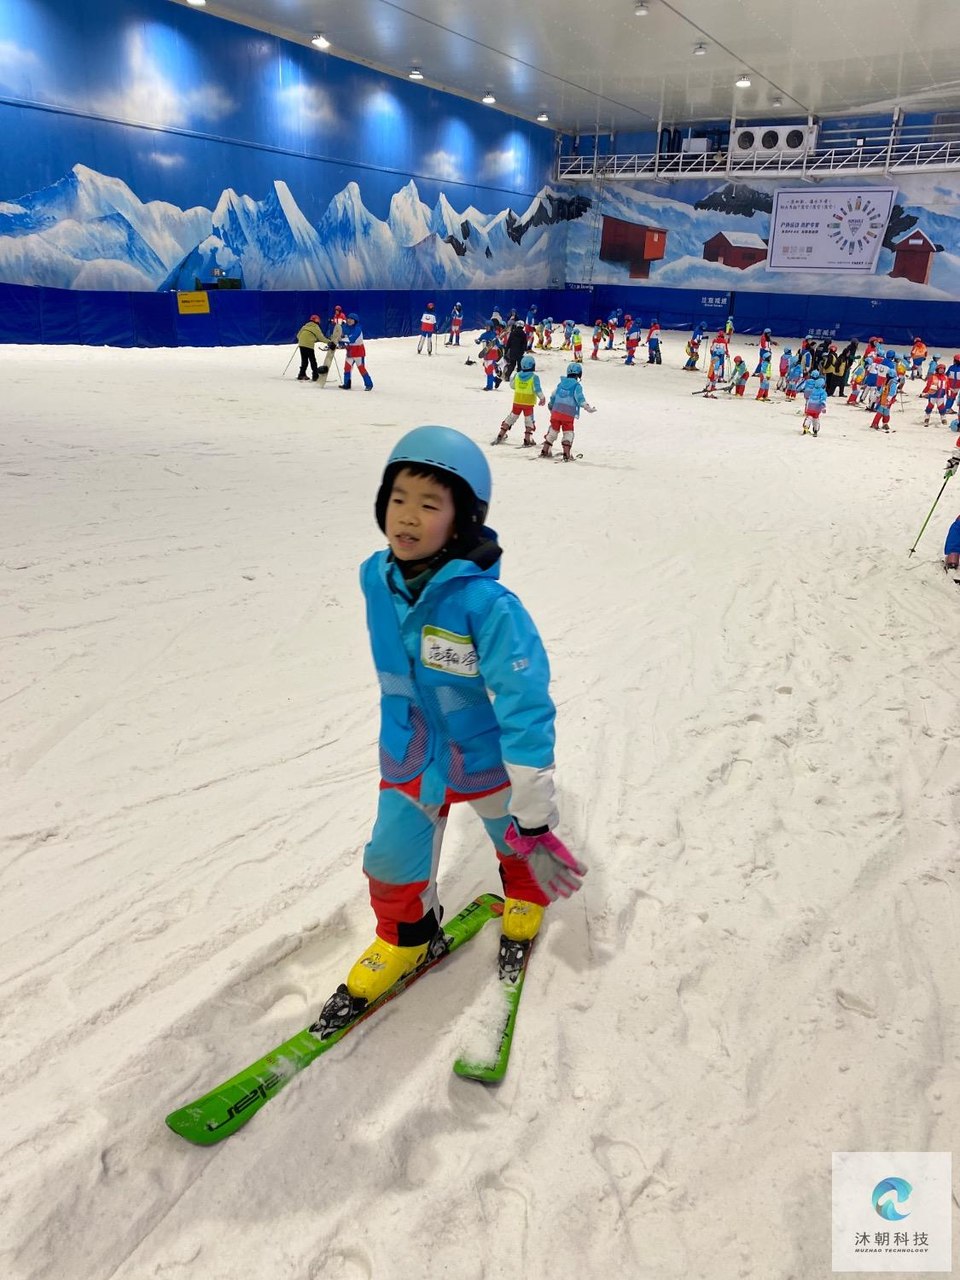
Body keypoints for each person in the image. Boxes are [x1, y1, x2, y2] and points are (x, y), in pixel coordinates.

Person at [317, 426, 586, 1015]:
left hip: (482, 756)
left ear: (463, 520)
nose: (407, 516)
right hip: (410, 752)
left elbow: (524, 701)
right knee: (390, 858)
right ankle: (407, 938)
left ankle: (526, 892)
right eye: (397, 498)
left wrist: (534, 804)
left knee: (515, 839)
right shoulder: (375, 578)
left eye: (429, 504)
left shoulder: (488, 607)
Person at [541, 361, 596, 459]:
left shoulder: (561, 384)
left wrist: (551, 405)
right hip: (568, 414)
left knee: (553, 431)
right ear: (579, 374)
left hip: (556, 412)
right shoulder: (576, 386)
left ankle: (545, 450)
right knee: (568, 433)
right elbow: (580, 399)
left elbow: (553, 395)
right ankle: (566, 454)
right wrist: (587, 407)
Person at [494, 355, 545, 446]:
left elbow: (512, 386)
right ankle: (527, 438)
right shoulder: (534, 377)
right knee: (529, 420)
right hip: (528, 404)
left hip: (517, 402)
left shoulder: (517, 375)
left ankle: (501, 433)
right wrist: (542, 398)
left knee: (511, 418)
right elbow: (537, 390)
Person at [341, 313, 374, 391]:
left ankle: (369, 385)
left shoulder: (357, 329)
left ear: (355, 321)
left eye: (351, 319)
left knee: (361, 369)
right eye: (348, 319)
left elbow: (351, 339)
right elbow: (341, 335)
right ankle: (346, 384)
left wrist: (340, 339)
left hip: (358, 352)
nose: (349, 320)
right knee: (347, 368)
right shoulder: (345, 327)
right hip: (350, 352)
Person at [296, 315, 324, 381]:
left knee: (304, 360)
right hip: (309, 345)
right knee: (312, 360)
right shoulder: (316, 327)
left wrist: (303, 340)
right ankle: (315, 376)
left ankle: (301, 374)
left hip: (301, 344)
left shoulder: (305, 326)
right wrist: (329, 342)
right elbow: (321, 338)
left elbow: (298, 336)